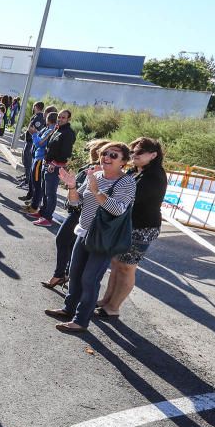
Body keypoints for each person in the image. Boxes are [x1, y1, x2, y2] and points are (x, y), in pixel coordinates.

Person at [46, 142, 136, 333]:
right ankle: (68, 309)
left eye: (114, 155)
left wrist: (96, 191)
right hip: (84, 231)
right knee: (76, 274)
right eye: (105, 154)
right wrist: (71, 187)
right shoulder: (94, 176)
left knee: (89, 279)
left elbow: (118, 209)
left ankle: (81, 320)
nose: (107, 158)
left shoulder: (127, 182)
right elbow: (76, 203)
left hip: (103, 239)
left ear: (124, 162)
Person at [95, 137, 167, 317]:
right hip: (127, 225)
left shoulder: (154, 176)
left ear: (153, 155)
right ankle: (106, 301)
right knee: (116, 263)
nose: (135, 154)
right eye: (133, 151)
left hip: (143, 228)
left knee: (127, 266)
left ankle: (114, 307)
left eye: (139, 152)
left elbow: (131, 199)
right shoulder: (135, 172)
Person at [42, 139, 109, 289]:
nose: (91, 153)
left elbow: (94, 193)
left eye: (94, 150)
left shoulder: (99, 171)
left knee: (63, 240)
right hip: (76, 208)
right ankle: (65, 274)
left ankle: (62, 275)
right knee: (69, 243)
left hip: (82, 212)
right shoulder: (91, 167)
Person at [33, 109, 75, 227]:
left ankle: (47, 218)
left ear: (68, 119)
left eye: (63, 118)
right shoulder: (58, 129)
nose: (60, 119)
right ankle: (42, 213)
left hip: (55, 166)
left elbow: (66, 153)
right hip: (47, 163)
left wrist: (55, 164)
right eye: (59, 117)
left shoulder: (68, 133)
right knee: (45, 190)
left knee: (51, 193)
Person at [23, 109, 58, 212]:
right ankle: (34, 204)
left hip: (40, 159)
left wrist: (33, 134)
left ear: (48, 119)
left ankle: (34, 207)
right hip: (38, 158)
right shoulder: (48, 129)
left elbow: (40, 144)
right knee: (35, 183)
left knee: (37, 184)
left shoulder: (49, 130)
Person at [19, 101, 47, 191]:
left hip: (31, 141)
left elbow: (34, 129)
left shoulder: (39, 117)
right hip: (28, 140)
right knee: (24, 159)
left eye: (34, 106)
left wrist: (29, 132)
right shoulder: (36, 116)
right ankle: (26, 176)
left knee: (28, 161)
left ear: (36, 107)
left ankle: (27, 180)